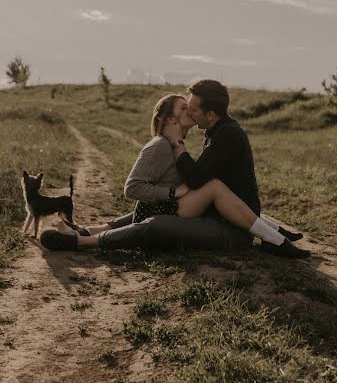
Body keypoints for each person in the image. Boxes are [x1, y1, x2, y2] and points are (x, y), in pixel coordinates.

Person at [40, 80, 310, 258]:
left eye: (193, 108)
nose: (191, 113)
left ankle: (81, 242)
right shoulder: (207, 135)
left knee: (156, 222)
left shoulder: (224, 135)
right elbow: (146, 189)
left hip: (226, 227)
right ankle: (86, 231)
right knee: (152, 213)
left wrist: (178, 146)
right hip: (213, 216)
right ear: (170, 118)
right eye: (186, 109)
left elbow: (197, 180)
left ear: (210, 115)